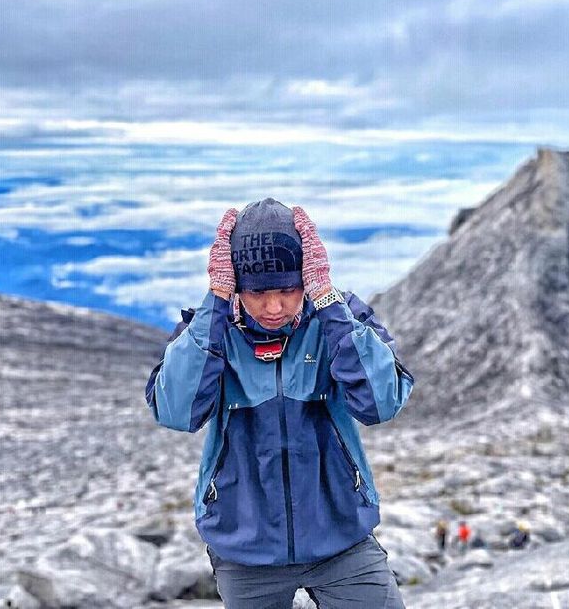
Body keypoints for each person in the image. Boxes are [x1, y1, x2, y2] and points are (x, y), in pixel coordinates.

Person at [145, 198, 415, 608]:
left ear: (307, 279)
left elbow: (381, 403)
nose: (274, 307)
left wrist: (326, 300)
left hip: (341, 537)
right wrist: (216, 301)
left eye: (289, 290)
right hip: (245, 546)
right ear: (235, 284)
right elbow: (176, 412)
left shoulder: (340, 320)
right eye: (257, 293)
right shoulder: (208, 331)